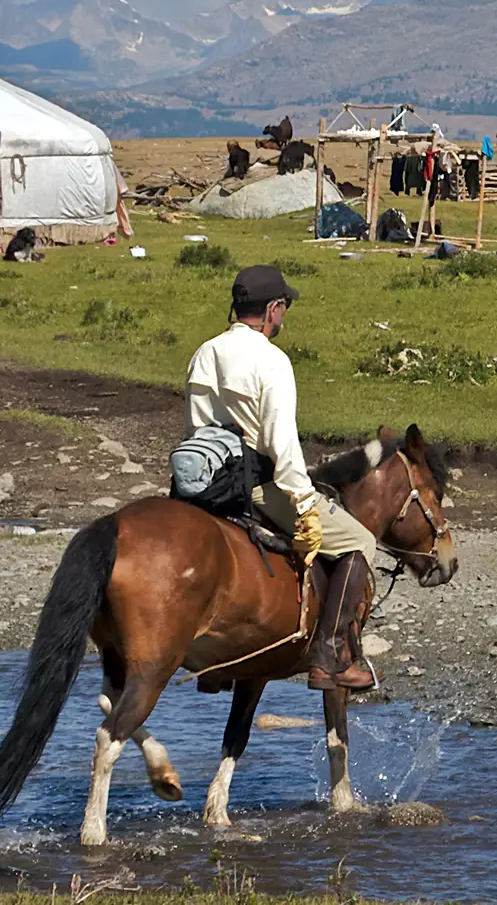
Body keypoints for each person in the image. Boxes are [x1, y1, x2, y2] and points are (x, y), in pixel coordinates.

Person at [184, 265, 379, 690]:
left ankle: (216, 664)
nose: (283, 315)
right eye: (283, 307)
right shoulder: (272, 360)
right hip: (254, 486)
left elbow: (197, 427)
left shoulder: (204, 352)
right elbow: (282, 445)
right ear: (272, 310)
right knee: (359, 541)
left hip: (201, 484)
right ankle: (329, 658)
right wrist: (306, 508)